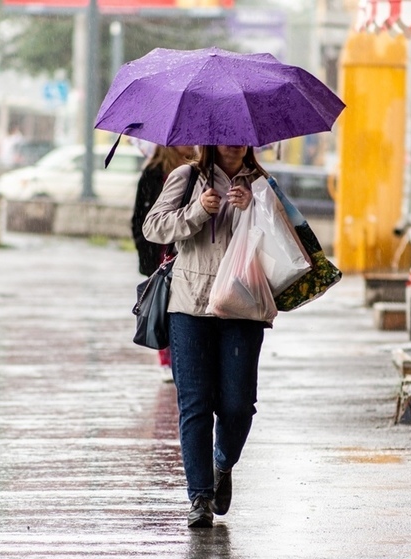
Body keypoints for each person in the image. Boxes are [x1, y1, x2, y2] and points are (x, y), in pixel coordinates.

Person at [142, 145, 269, 528]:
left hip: (243, 305)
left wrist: (256, 209)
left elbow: (286, 238)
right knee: (195, 405)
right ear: (211, 137)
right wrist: (198, 211)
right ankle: (199, 496)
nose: (233, 141)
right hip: (190, 305)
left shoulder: (262, 185)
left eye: (241, 134)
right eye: (225, 133)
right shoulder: (185, 177)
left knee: (238, 405)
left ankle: (222, 463)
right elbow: (153, 226)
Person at [131, 145, 196, 371]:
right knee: (163, 303)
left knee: (183, 304)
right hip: (160, 249)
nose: (190, 143)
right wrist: (145, 248)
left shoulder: (199, 169)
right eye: (184, 139)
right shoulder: (153, 172)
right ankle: (166, 358)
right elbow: (141, 215)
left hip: (188, 246)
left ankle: (182, 355)